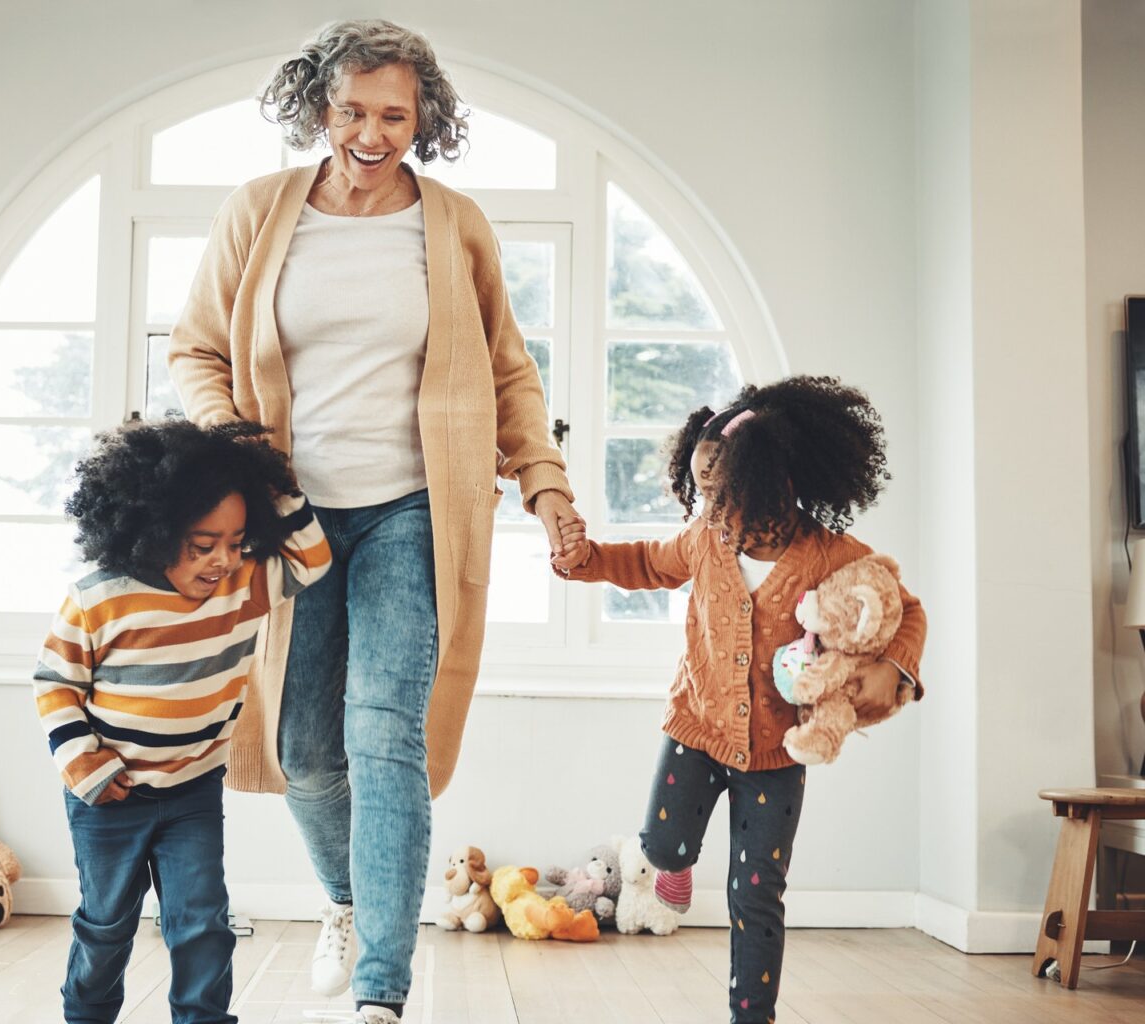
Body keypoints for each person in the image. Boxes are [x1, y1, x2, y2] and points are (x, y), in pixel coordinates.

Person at [168, 18, 581, 1024]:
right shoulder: (261, 213)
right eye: (352, 108)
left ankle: (383, 991)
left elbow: (508, 369)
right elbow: (195, 354)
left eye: (394, 113)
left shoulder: (452, 223)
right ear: (319, 105)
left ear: (423, 118)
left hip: (414, 509)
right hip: (292, 517)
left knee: (384, 732)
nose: (371, 130)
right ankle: (348, 903)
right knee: (306, 747)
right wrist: (240, 449)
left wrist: (546, 485)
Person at [551, 376, 927, 1024]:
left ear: (773, 480)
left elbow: (905, 605)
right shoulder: (705, 541)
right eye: (701, 491)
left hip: (778, 756)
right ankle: (674, 867)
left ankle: (752, 1015)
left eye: (720, 493)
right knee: (662, 849)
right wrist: (584, 560)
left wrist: (896, 666)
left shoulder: (828, 555)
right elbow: (643, 561)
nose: (709, 505)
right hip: (695, 730)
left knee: (757, 896)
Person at [34, 419, 331, 1024]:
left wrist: (265, 478)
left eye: (237, 539)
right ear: (154, 528)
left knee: (202, 924)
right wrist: (80, 761)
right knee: (106, 923)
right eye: (203, 543)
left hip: (192, 790)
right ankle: (85, 1016)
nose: (223, 558)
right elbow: (57, 683)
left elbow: (313, 557)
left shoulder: (244, 586)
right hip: (108, 799)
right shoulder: (99, 598)